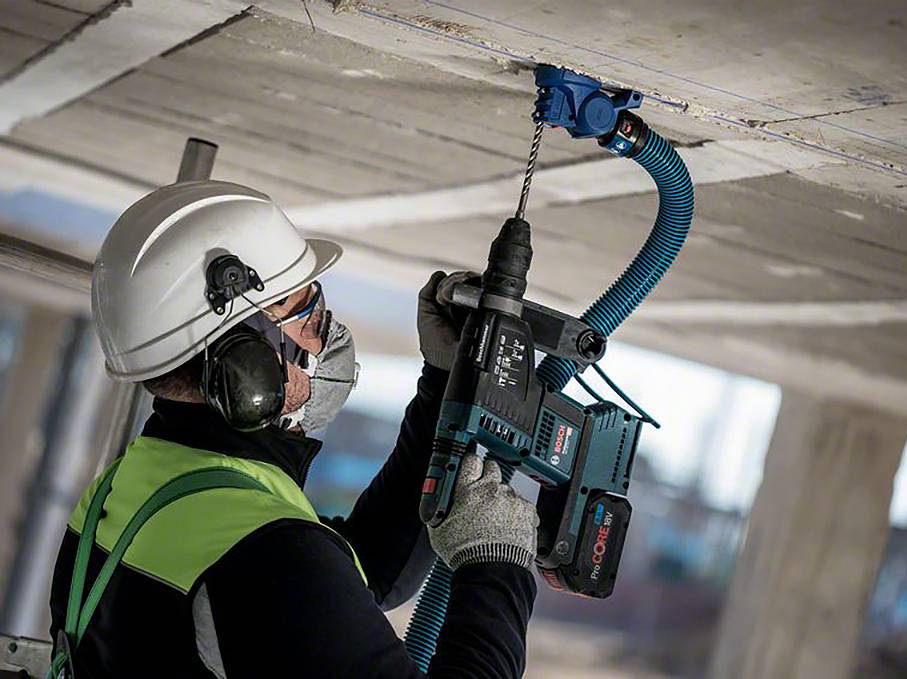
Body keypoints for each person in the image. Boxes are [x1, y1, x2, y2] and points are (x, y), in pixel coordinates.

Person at [47, 180, 539, 677]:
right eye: (307, 313)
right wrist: (498, 564)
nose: (327, 335)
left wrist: (443, 381)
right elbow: (303, 583)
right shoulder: (266, 550)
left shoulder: (132, 494)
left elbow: (357, 578)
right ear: (248, 357)